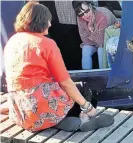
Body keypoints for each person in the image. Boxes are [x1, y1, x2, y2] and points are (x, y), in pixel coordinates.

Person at [3, 1, 114, 132]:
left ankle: (60, 122)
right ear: (40, 22)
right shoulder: (46, 43)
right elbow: (65, 82)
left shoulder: (12, 41)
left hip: (22, 111)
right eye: (48, 21)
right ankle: (81, 119)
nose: (50, 24)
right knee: (83, 88)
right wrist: (88, 107)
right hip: (44, 105)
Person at [72, 1, 118, 69]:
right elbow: (83, 38)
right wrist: (94, 39)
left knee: (100, 50)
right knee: (86, 49)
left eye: (87, 11)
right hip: (95, 42)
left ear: (90, 6)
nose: (85, 15)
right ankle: (86, 76)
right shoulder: (80, 18)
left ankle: (102, 74)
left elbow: (102, 41)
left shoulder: (103, 16)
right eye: (81, 14)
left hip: (110, 41)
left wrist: (91, 29)